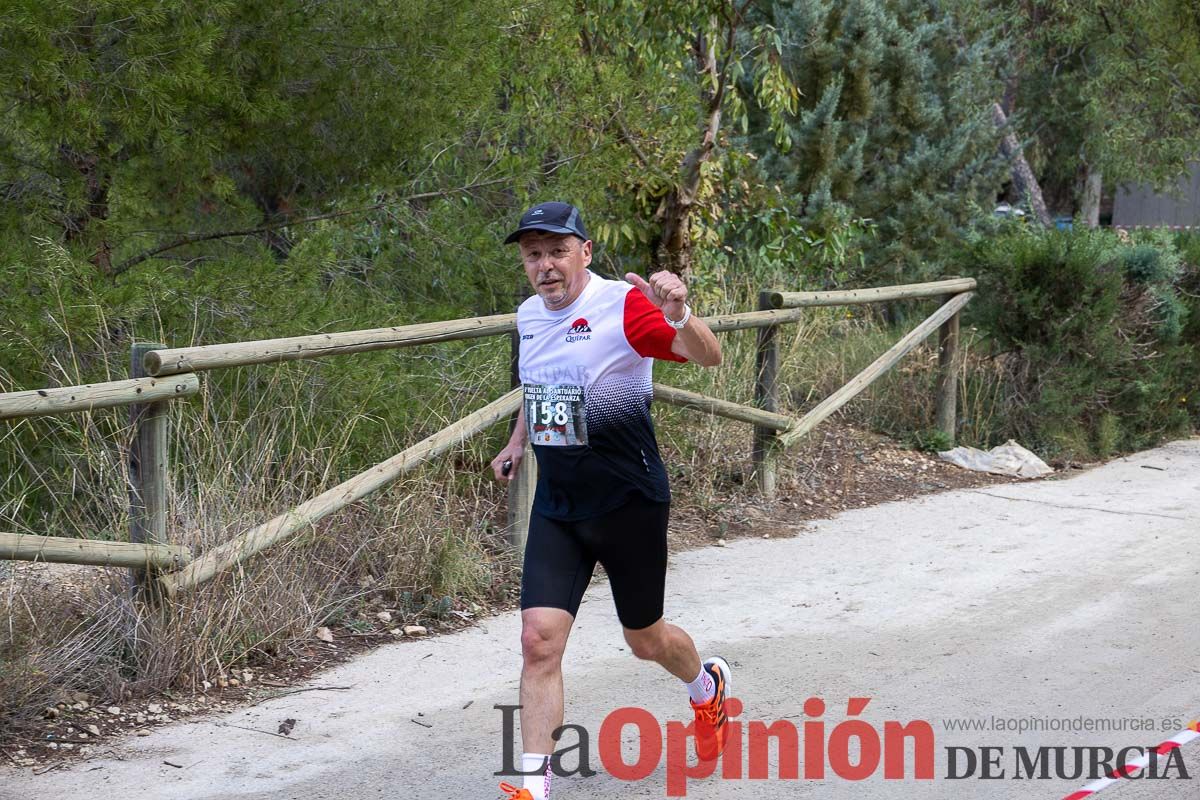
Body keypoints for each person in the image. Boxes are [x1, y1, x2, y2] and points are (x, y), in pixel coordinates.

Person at [490, 202, 730, 800]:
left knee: (644, 640)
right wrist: (518, 441)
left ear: (585, 252)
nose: (545, 266)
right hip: (559, 505)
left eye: (556, 251)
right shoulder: (528, 315)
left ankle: (706, 687)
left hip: (629, 503)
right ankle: (532, 785)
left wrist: (681, 314)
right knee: (537, 640)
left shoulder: (620, 307)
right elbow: (538, 384)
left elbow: (707, 356)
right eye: (533, 254)